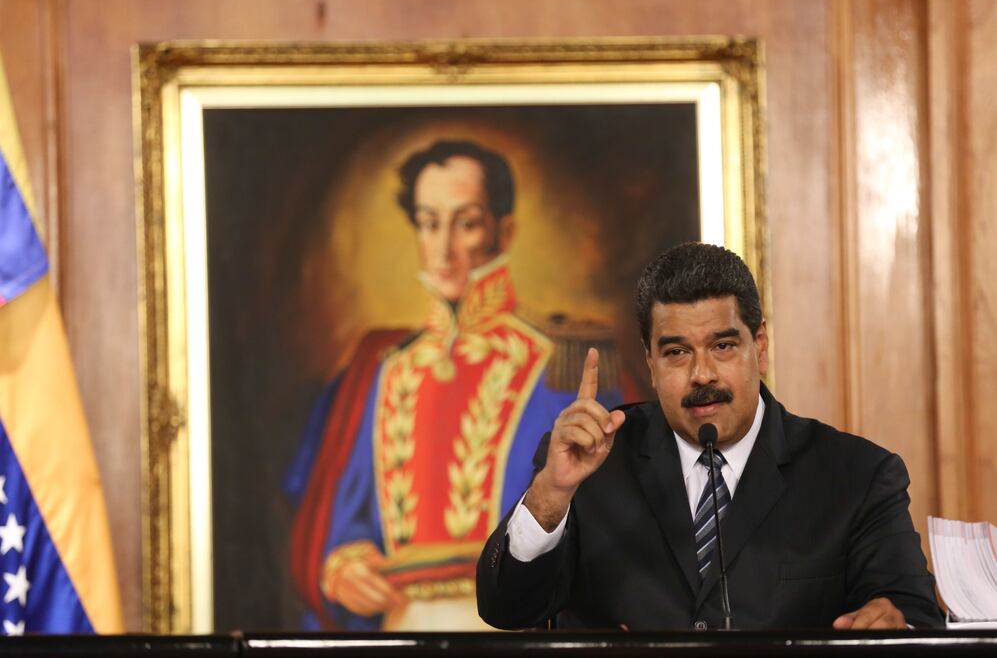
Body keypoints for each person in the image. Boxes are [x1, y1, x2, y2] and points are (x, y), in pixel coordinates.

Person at [477, 242, 944, 630]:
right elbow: (505, 609)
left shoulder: (857, 477)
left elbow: (917, 616)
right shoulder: (591, 463)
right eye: (677, 353)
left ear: (759, 345)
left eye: (722, 346)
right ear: (650, 364)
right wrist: (550, 494)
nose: (702, 374)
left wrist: (892, 624)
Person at [285, 139, 625, 631]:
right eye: (429, 223)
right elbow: (345, 519)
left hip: (518, 628)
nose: (443, 249)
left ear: (503, 231)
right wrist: (346, 564)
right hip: (400, 629)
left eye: (465, 224)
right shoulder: (383, 369)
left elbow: (609, 521)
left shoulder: (563, 362)